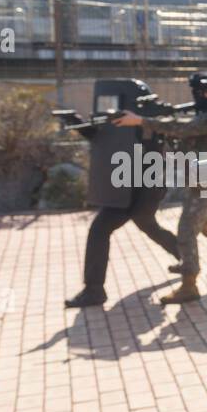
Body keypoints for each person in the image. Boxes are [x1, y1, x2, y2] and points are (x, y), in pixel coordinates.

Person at [115, 71, 207, 304]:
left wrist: (141, 120)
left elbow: (183, 129)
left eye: (200, 93)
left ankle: (189, 284)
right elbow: (185, 128)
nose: (197, 97)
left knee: (186, 230)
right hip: (202, 178)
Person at [61, 89, 180, 309]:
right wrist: (75, 121)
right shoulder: (124, 126)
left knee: (132, 224)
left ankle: (185, 256)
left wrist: (140, 122)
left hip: (146, 189)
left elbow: (156, 145)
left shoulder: (152, 124)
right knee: (132, 226)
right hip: (127, 190)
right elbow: (100, 137)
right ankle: (94, 289)